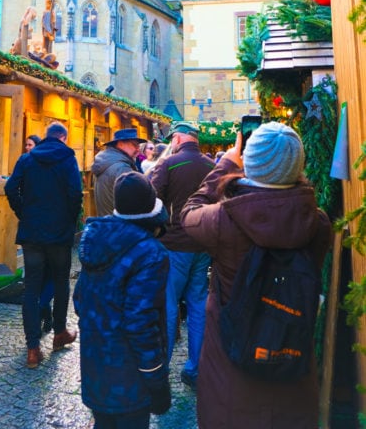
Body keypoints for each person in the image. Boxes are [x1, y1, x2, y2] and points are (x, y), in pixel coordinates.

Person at [180, 122, 332, 429]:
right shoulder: (318, 223)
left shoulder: (223, 220)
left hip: (230, 369)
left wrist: (225, 165)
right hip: (291, 364)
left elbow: (188, 212)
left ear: (250, 162)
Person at [74, 171, 171, 429]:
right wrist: (157, 381)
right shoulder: (150, 253)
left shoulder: (94, 239)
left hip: (95, 367)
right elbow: (140, 324)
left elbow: (79, 300)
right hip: (130, 376)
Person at [5, 122, 83, 369]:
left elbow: (10, 187)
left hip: (32, 233)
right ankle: (59, 333)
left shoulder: (27, 159)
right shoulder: (68, 159)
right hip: (59, 234)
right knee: (61, 283)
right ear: (63, 138)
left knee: (31, 289)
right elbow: (75, 194)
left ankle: (32, 349)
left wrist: (23, 212)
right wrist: (70, 220)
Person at [149, 121, 214, 388]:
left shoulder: (169, 164)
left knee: (169, 304)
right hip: (203, 244)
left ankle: (161, 368)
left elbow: (151, 199)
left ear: (177, 138)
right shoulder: (212, 165)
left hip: (174, 244)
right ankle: (194, 367)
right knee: (198, 305)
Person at [24, 132, 53, 333]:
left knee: (47, 276)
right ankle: (42, 313)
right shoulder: (25, 163)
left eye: (30, 144)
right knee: (38, 277)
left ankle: (45, 310)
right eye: (26, 144)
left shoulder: (48, 166)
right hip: (37, 229)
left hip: (47, 230)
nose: (28, 148)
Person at [91, 127, 146, 216]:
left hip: (109, 222)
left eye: (138, 146)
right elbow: (133, 202)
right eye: (135, 145)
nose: (138, 149)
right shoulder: (122, 168)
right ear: (120, 144)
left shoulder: (107, 161)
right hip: (120, 224)